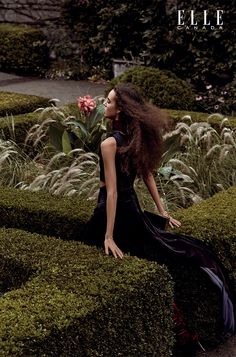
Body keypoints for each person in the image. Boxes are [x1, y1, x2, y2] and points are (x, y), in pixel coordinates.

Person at [81, 83, 235, 354]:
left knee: (88, 246)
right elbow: (148, 175)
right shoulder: (132, 138)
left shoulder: (109, 143)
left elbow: (113, 191)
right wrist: (162, 212)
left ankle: (182, 334)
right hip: (134, 210)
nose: (104, 104)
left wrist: (108, 234)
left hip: (116, 209)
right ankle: (185, 333)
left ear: (121, 109)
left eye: (109, 101)